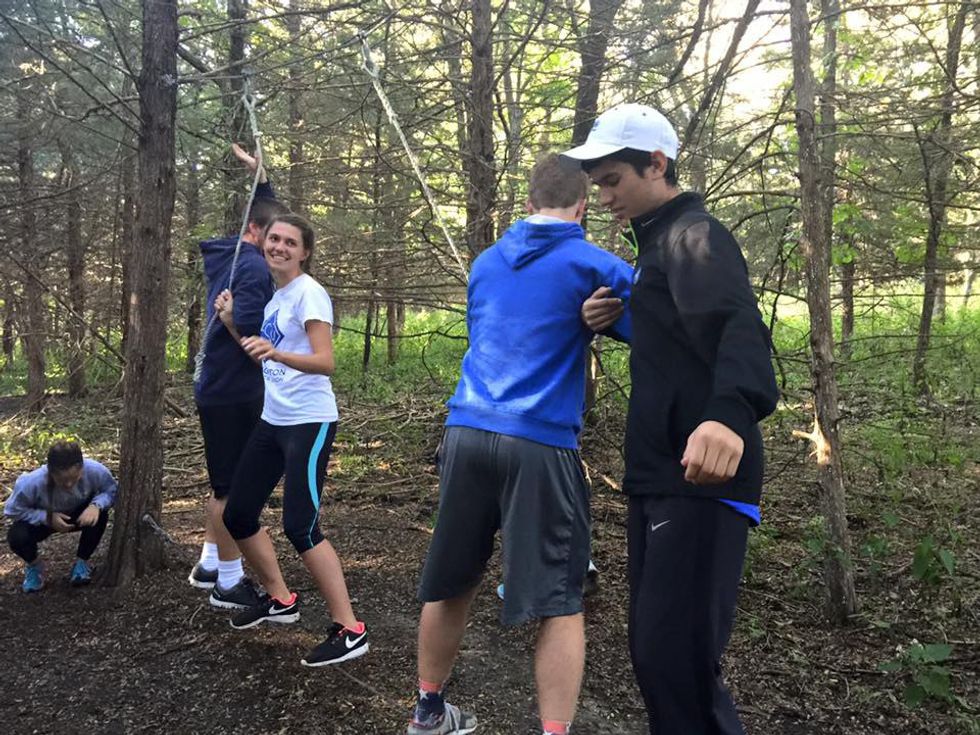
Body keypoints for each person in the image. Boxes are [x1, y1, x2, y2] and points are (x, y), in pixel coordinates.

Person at [562, 103, 779, 735]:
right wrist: (616, 321)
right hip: (661, 476)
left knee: (676, 659)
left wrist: (729, 416)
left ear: (656, 164)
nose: (604, 197)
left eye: (612, 181)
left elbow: (739, 331)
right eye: (597, 183)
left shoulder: (694, 236)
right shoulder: (658, 244)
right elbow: (682, 344)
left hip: (703, 478)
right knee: (658, 656)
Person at [406, 153, 633, 735]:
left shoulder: (485, 262)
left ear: (528, 202)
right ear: (581, 208)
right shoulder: (597, 265)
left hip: (466, 431)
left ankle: (428, 713)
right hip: (538, 440)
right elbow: (657, 325)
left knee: (452, 580)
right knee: (560, 600)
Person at [219, 212, 368, 668]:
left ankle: (350, 630)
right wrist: (231, 323)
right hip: (274, 421)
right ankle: (281, 599)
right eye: (274, 239)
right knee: (238, 513)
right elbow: (265, 355)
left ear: (304, 252)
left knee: (301, 527)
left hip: (309, 422)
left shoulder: (309, 293)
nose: (279, 247)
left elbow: (325, 362)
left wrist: (277, 352)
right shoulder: (275, 300)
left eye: (289, 242)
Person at [188, 143, 288, 612]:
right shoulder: (251, 267)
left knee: (225, 483)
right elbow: (250, 337)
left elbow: (264, 213)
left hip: (221, 386)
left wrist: (261, 178)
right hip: (232, 390)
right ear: (255, 232)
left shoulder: (237, 252)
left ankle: (211, 562)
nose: (279, 247)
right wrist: (283, 360)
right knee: (232, 491)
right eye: (273, 239)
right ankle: (229, 583)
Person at [4, 441, 117, 591]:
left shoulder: (96, 471)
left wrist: (96, 505)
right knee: (17, 536)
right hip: (45, 520)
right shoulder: (31, 483)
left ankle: (82, 562)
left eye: (74, 478)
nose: (69, 485)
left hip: (80, 514)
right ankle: (34, 566)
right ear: (50, 472)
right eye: (62, 481)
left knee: (100, 515)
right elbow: (12, 510)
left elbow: (111, 490)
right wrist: (46, 517)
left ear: (81, 468)